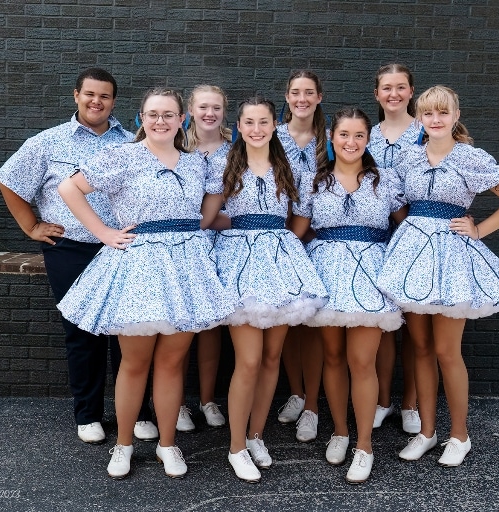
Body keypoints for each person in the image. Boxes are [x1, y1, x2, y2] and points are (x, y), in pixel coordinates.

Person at [56, 88, 235, 480]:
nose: (161, 121)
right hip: (139, 267)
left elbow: (210, 206)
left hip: (185, 267)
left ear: (181, 120)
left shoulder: (195, 164)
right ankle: (123, 445)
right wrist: (103, 232)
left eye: (169, 115)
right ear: (141, 118)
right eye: (153, 114)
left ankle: (167, 445)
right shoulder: (123, 156)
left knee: (172, 364)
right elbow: (69, 188)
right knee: (135, 363)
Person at [0, 68, 157, 446]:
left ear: (115, 101)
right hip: (72, 250)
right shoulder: (48, 143)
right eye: (90, 95)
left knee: (131, 332)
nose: (96, 102)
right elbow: (9, 179)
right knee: (82, 334)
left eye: (104, 96)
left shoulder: (134, 141)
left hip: (125, 249)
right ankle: (88, 414)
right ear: (76, 95)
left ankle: (138, 413)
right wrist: (31, 226)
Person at [378, 85, 499, 467]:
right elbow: (393, 202)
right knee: (421, 350)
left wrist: (479, 230)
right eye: (428, 114)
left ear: (455, 115)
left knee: (447, 351)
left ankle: (459, 435)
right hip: (411, 257)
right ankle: (427, 432)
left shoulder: (470, 158)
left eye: (443, 113)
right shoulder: (409, 158)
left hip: (451, 259)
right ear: (421, 119)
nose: (436, 120)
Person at [206, 96, 327, 483]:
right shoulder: (224, 163)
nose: (256, 129)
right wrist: (243, 230)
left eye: (263, 122)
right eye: (248, 123)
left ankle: (257, 435)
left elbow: (303, 213)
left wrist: (279, 242)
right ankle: (236, 446)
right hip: (239, 263)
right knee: (250, 360)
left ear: (274, 124)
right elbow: (207, 216)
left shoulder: (289, 165)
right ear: (238, 126)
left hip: (281, 261)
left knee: (273, 356)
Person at [291, 106, 406, 484]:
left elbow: (409, 227)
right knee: (333, 356)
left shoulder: (386, 180)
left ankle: (364, 445)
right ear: (331, 138)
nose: (351, 142)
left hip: (370, 274)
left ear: (367, 139)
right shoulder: (312, 181)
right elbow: (298, 231)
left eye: (359, 135)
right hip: (326, 271)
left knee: (362, 361)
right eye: (344, 135)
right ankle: (339, 431)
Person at [367, 63, 424, 434]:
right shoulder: (366, 136)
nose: (393, 94)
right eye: (386, 88)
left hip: (417, 237)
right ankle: (382, 400)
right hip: (375, 239)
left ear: (410, 91)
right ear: (377, 94)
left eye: (400, 87)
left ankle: (411, 403)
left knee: (418, 328)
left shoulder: (426, 133)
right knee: (385, 326)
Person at [176, 84, 235, 432]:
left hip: (223, 240)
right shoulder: (176, 146)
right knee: (183, 321)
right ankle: (179, 403)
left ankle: (208, 399)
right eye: (203, 107)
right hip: (182, 243)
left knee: (212, 325)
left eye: (216, 107)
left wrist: (213, 221)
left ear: (224, 111)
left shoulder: (235, 152)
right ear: (190, 110)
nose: (209, 113)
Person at [276, 70, 330, 444]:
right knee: (287, 321)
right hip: (281, 240)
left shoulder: (330, 139)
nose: (302, 99)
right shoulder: (272, 136)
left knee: (313, 325)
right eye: (296, 92)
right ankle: (296, 392)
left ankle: (312, 405)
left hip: (322, 239)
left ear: (319, 97)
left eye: (309, 92)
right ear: (287, 96)